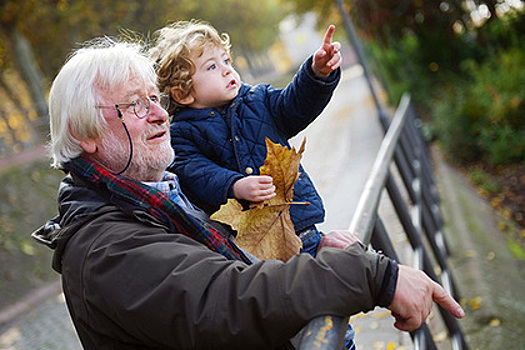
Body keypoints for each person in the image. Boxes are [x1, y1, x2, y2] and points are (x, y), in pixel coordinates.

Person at [32, 36, 464, 350]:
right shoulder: (106, 249)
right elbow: (228, 298)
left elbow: (240, 251)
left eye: (155, 98)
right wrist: (373, 275)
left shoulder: (159, 197)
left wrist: (302, 244)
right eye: (136, 105)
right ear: (81, 132)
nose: (160, 114)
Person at [149, 20, 342, 258]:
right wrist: (234, 185)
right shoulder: (182, 134)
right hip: (251, 246)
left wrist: (316, 74)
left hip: (298, 226)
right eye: (212, 67)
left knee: (332, 273)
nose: (227, 69)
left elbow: (295, 104)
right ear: (183, 93)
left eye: (226, 61)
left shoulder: (258, 99)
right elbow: (196, 173)